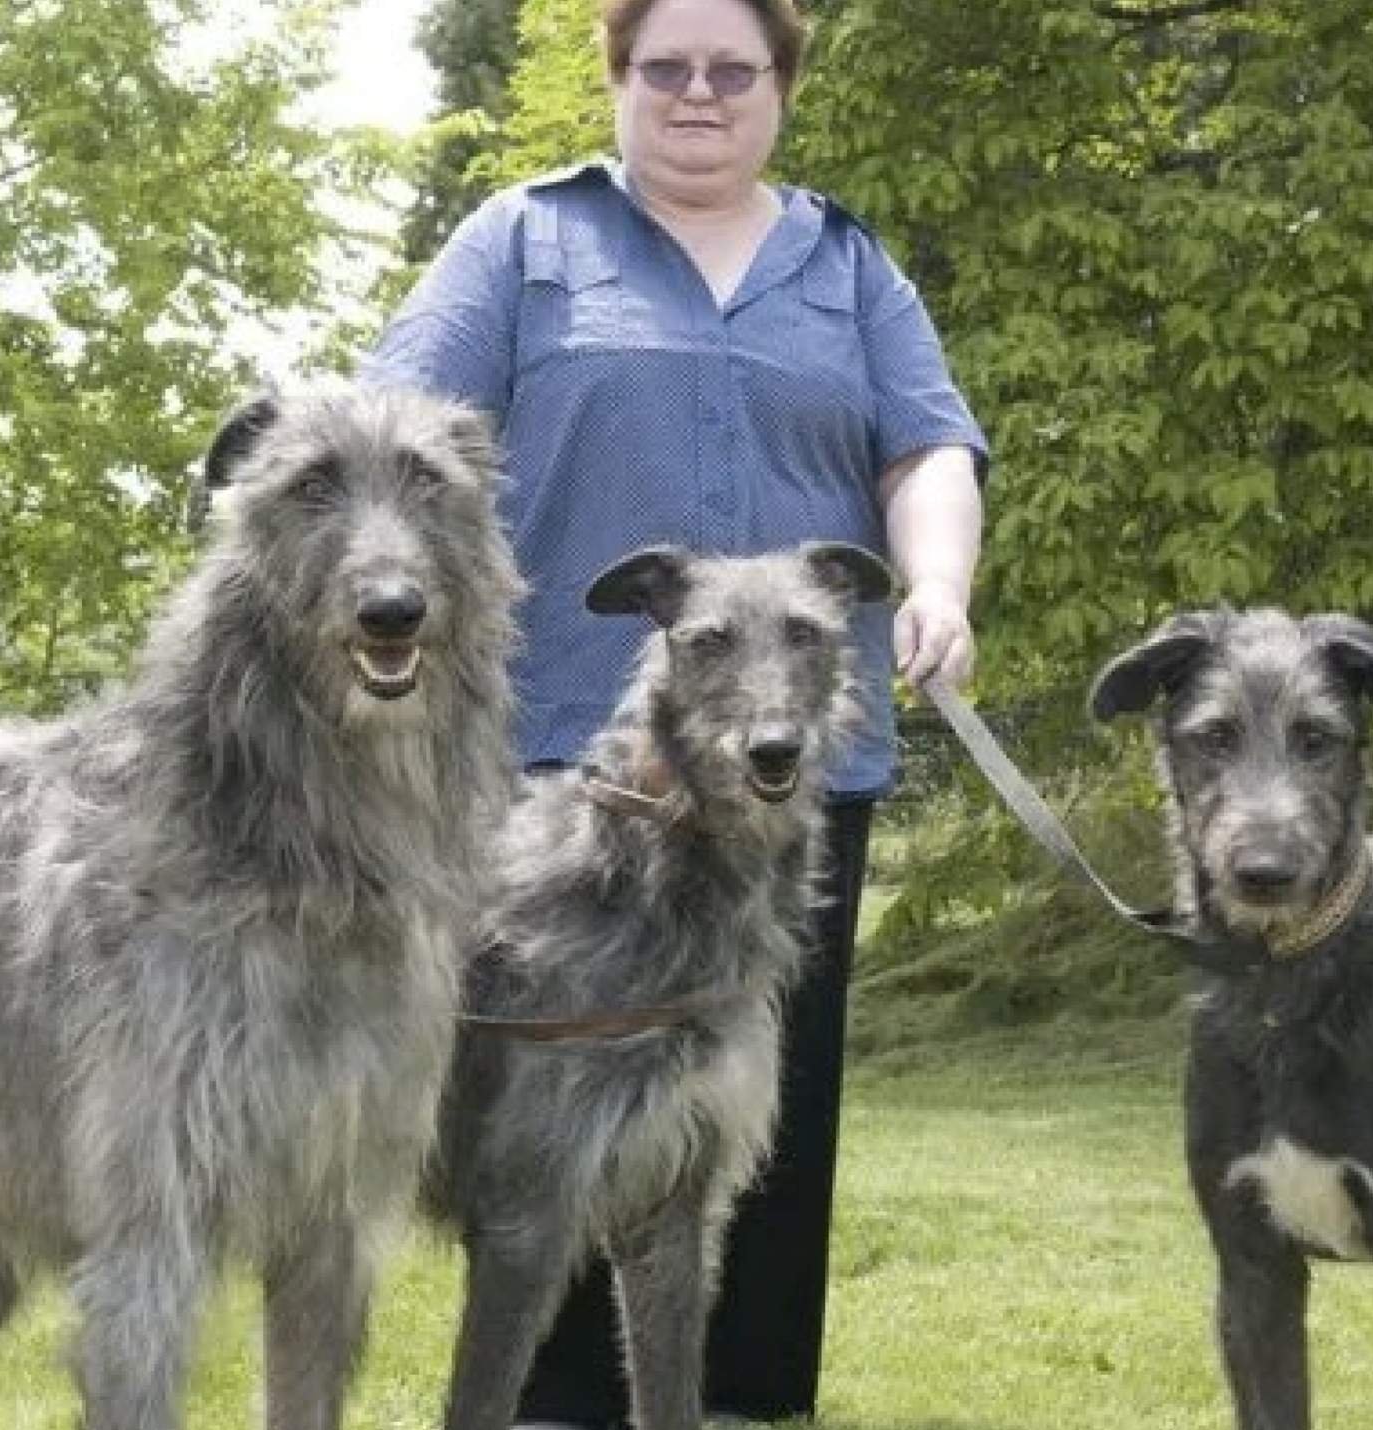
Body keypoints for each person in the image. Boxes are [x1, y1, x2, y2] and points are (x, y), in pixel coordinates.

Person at [361, 0, 987, 1422]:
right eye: (666, 67)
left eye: (733, 68)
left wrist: (935, 584)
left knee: (746, 1197)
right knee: (546, 1171)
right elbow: (395, 425)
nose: (698, 93)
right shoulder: (525, 242)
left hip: (787, 793)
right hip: (555, 800)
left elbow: (928, 445)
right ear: (620, 79)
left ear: (780, 84)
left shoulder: (849, 266)